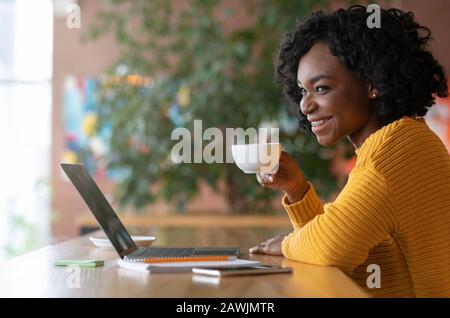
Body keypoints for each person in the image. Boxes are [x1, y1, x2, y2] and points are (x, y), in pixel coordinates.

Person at [249, 5, 450, 297]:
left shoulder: (396, 152)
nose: (305, 106)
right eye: (303, 92)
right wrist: (297, 191)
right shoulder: (398, 141)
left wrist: (285, 244)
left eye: (321, 88)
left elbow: (332, 248)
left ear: (372, 84)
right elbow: (346, 254)